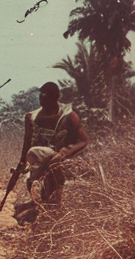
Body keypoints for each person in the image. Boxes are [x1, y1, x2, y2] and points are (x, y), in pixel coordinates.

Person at [15, 81, 89, 222]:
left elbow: (84, 140)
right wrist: (21, 162)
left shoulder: (68, 115)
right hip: (40, 158)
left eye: (46, 99)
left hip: (63, 159)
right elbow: (27, 142)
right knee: (33, 179)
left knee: (54, 190)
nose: (43, 103)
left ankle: (51, 215)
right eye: (41, 99)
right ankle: (40, 211)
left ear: (55, 98)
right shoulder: (32, 117)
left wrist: (64, 153)